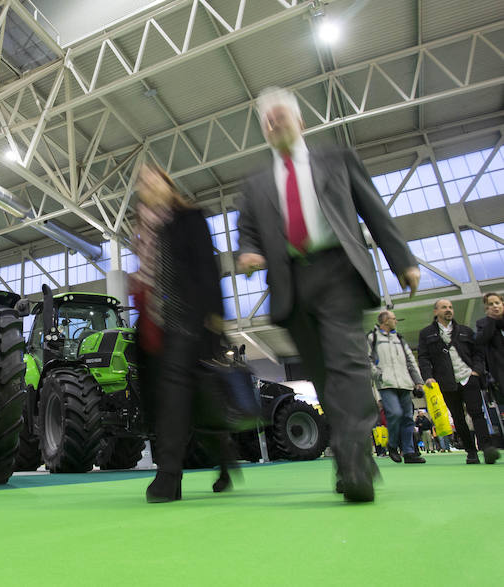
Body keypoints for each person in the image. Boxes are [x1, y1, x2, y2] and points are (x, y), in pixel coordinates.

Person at [236, 87, 420, 502]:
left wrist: (403, 260)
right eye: (267, 120)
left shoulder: (336, 159)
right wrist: (249, 251)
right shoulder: (256, 182)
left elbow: (374, 209)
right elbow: (247, 228)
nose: (274, 123)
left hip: (338, 272)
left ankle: (354, 463)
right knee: (322, 377)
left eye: (281, 115)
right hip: (292, 286)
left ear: (300, 122)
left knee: (348, 367)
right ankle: (352, 454)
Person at [133, 163, 226, 503]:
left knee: (175, 399)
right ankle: (225, 459)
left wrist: (216, 317)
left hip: (185, 322)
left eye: (152, 176)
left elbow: (208, 268)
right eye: (141, 180)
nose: (146, 183)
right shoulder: (144, 230)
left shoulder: (189, 219)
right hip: (152, 328)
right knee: (181, 402)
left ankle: (169, 476)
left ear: (169, 185)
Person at [417, 299, 499, 465]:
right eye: (444, 307)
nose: (448, 310)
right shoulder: (426, 334)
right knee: (458, 417)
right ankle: (471, 452)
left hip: (469, 377)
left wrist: (476, 370)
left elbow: (478, 353)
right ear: (436, 312)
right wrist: (428, 376)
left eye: (450, 307)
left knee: (477, 413)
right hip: (446, 381)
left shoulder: (465, 331)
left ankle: (487, 448)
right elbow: (424, 357)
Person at [367, 310, 425, 464]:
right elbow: (367, 360)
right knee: (395, 413)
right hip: (386, 384)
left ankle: (409, 452)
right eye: (393, 319)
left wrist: (418, 381)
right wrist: (379, 375)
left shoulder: (399, 338)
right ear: (385, 321)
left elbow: (410, 360)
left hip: (404, 383)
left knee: (407, 418)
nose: (396, 321)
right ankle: (392, 445)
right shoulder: (373, 338)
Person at [475, 292, 504, 406]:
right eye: (491, 304)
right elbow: (481, 340)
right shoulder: (483, 324)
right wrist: (491, 320)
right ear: (486, 308)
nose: (495, 306)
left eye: (497, 302)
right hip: (500, 371)